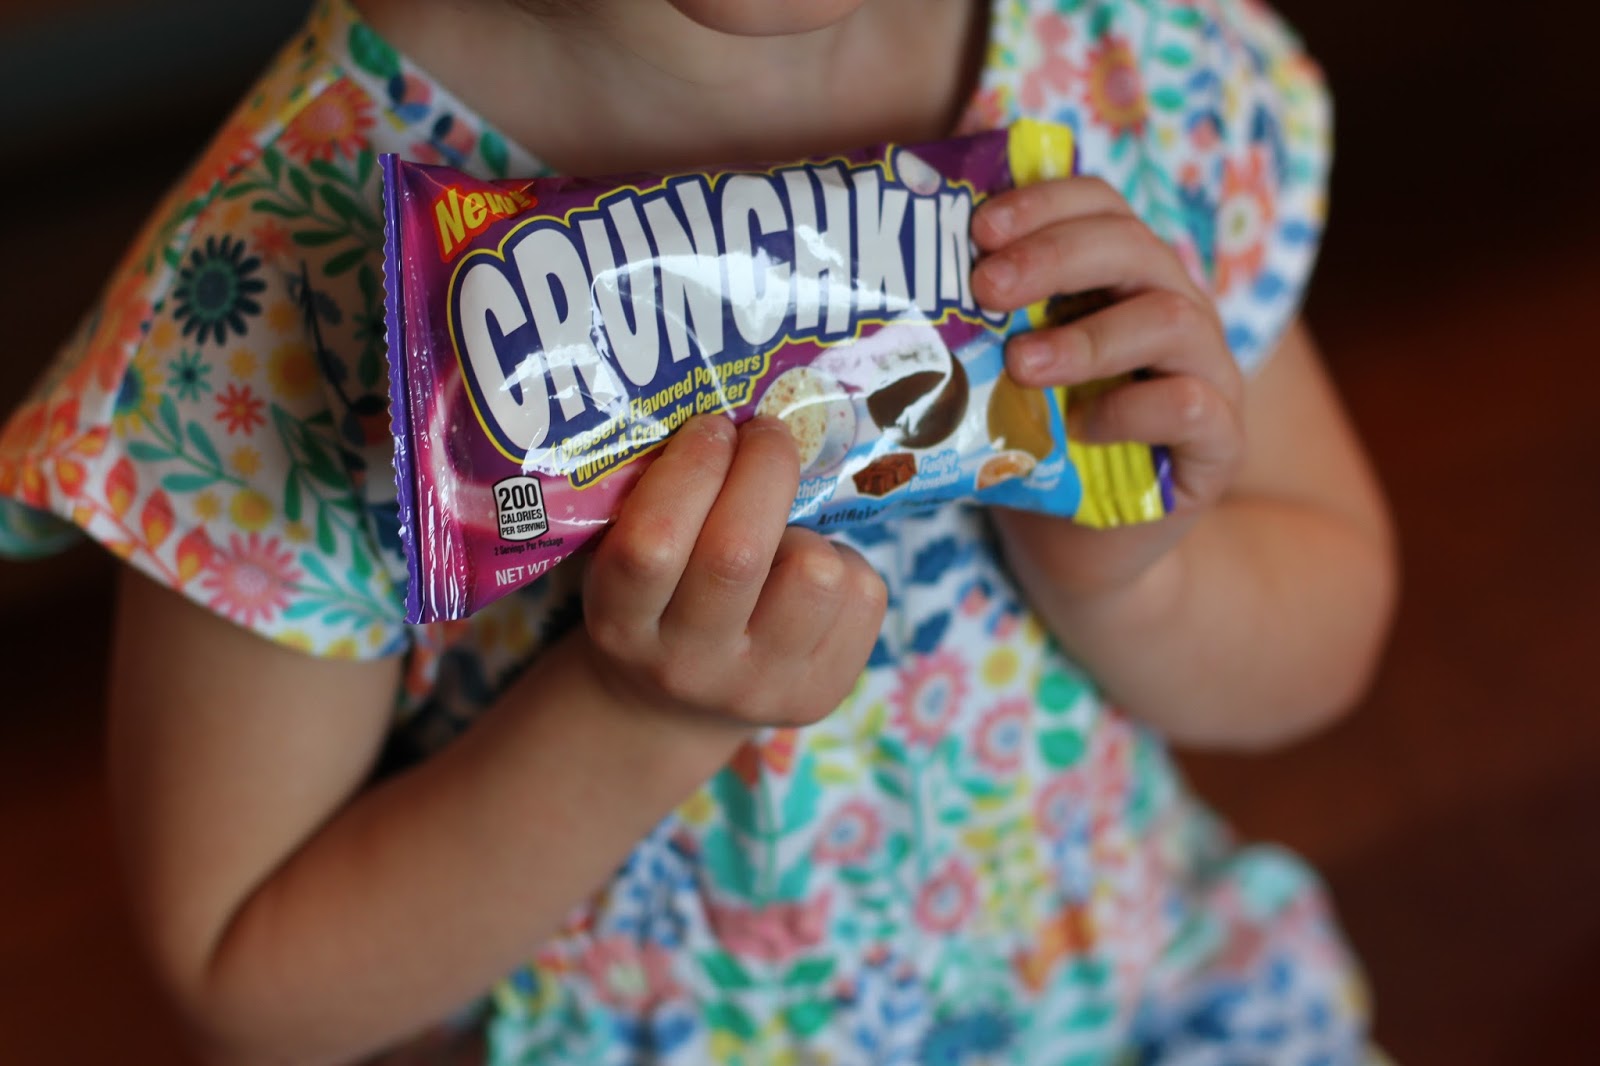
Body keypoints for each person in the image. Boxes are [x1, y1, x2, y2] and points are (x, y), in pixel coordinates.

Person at [0, 0, 1398, 1062]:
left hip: (1112, 999)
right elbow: (249, 976)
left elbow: (1329, 637)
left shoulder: (1131, 75)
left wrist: (1125, 577)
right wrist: (637, 716)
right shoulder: (284, 260)